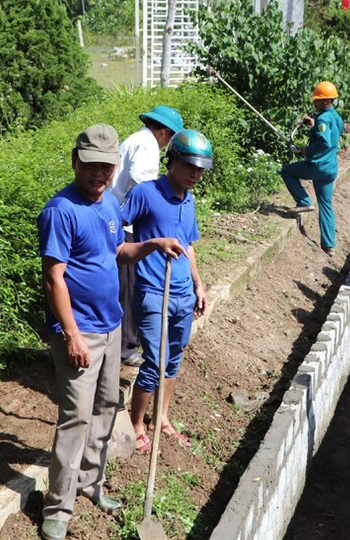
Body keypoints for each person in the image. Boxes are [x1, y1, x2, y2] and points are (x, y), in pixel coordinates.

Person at [38, 124, 187, 540]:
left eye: (106, 166)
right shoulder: (61, 211)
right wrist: (70, 334)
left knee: (107, 406)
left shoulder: (107, 205)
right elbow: (54, 278)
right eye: (91, 166)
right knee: (75, 417)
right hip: (81, 331)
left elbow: (117, 252)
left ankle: (90, 483)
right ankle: (58, 507)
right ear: (75, 162)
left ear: (115, 166)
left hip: (111, 324)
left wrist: (152, 244)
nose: (99, 174)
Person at [122, 129, 212, 452]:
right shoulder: (146, 194)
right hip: (152, 292)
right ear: (172, 160)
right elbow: (117, 228)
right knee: (154, 362)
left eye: (200, 169)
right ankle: (135, 425)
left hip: (183, 295)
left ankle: (160, 419)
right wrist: (149, 246)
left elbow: (188, 246)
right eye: (189, 165)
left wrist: (199, 286)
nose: (194, 174)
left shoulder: (189, 202)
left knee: (173, 361)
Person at [109, 106, 185, 368]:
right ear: (165, 132)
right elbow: (142, 183)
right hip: (126, 223)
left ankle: (130, 341)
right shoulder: (148, 145)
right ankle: (126, 348)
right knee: (129, 288)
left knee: (128, 285)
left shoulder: (137, 139)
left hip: (121, 218)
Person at [280, 81, 344, 257]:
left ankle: (304, 202)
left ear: (326, 101)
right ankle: (329, 246)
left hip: (318, 166)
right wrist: (313, 126)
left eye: (317, 100)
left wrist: (305, 150)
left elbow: (325, 142)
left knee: (287, 171)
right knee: (326, 205)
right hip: (330, 168)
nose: (314, 102)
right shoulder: (335, 117)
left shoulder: (323, 118)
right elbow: (329, 133)